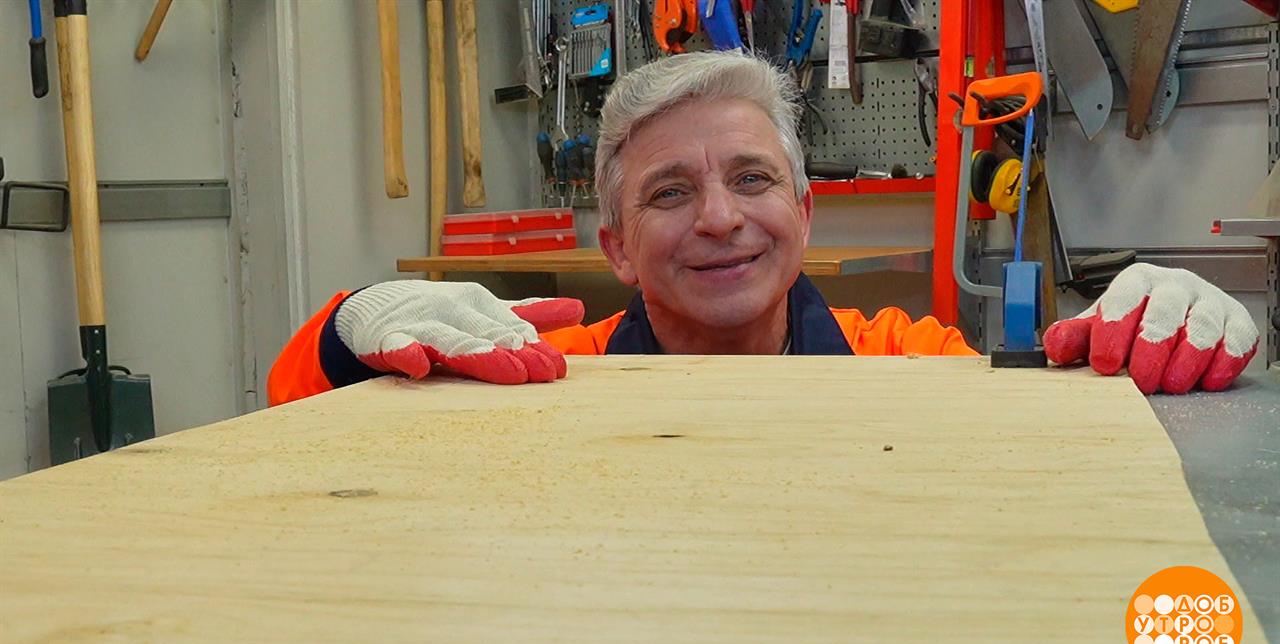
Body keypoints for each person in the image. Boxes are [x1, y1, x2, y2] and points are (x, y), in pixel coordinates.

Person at [267, 52, 1258, 406]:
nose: (720, 218)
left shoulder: (902, 362)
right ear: (615, 248)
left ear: (803, 211)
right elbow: (293, 407)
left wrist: (1170, 340)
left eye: (752, 179)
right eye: (668, 194)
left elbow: (1055, 431)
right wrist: (350, 330)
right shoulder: (545, 376)